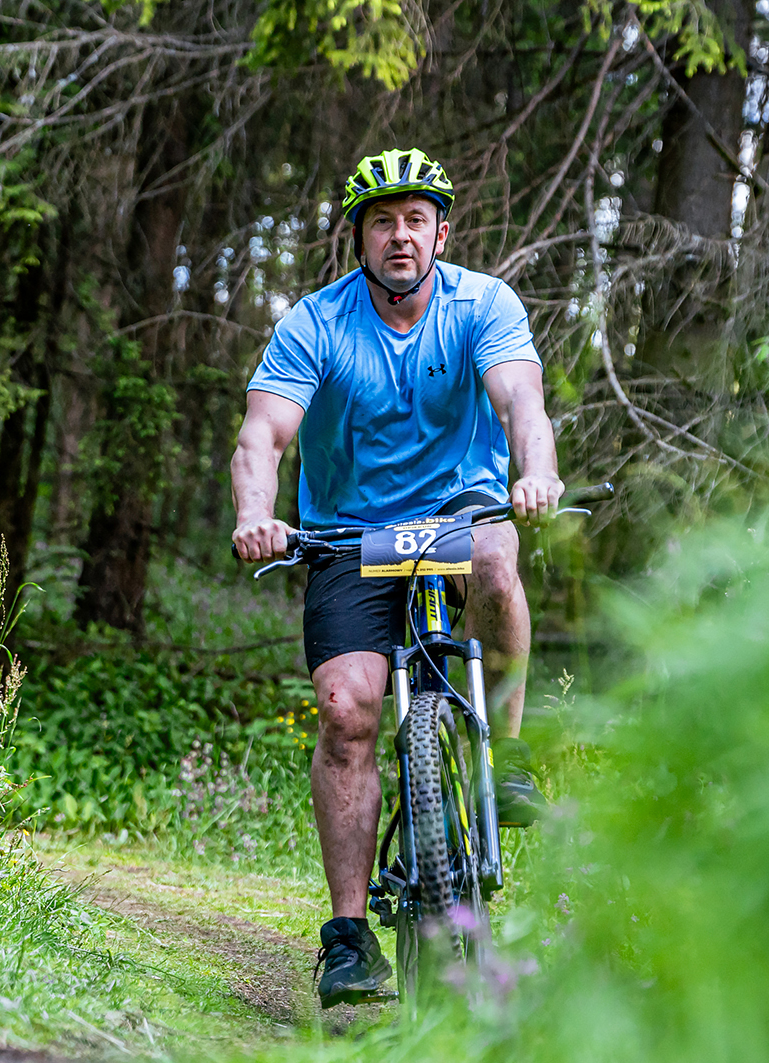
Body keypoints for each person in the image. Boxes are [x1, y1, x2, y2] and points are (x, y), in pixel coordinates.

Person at [229, 148, 565, 1008]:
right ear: (359, 239)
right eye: (383, 222)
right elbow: (263, 436)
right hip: (349, 533)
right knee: (347, 712)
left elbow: (520, 402)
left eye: (417, 220)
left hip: (459, 511)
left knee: (495, 557)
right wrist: (257, 513)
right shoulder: (315, 323)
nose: (401, 236)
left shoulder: (482, 304)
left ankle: (506, 757)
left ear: (441, 233)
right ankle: (349, 940)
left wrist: (536, 473)